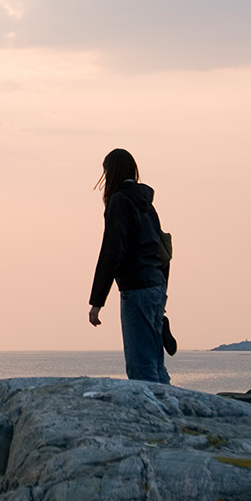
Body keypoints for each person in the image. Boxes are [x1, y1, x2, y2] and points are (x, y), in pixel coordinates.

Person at [87, 148, 170, 383]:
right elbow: (163, 249)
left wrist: (96, 302)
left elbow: (112, 251)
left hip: (136, 287)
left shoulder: (119, 201)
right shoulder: (146, 203)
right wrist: (163, 291)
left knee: (141, 366)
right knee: (156, 363)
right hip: (156, 284)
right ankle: (170, 412)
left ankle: (150, 418)